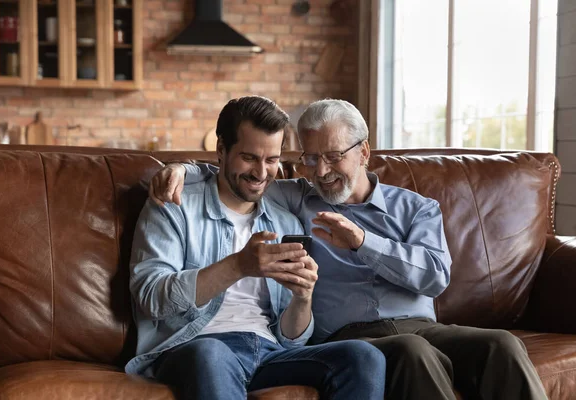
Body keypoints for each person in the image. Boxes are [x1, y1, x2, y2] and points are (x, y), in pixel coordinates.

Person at [150, 99, 548, 400]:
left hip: (421, 326)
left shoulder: (416, 208)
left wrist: (362, 241)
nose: (321, 171)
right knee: (409, 352)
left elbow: (435, 276)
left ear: (364, 152)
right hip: (349, 335)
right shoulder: (297, 200)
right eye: (310, 159)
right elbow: (244, 178)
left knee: (502, 344)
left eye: (333, 157)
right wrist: (183, 168)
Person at [125, 96, 386, 400]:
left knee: (364, 357)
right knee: (211, 353)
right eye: (249, 157)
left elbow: (292, 342)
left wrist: (302, 299)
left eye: (272, 160)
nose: (261, 173)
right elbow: (151, 297)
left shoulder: (285, 221)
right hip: (194, 346)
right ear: (221, 150)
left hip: (268, 352)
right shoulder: (173, 204)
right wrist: (238, 266)